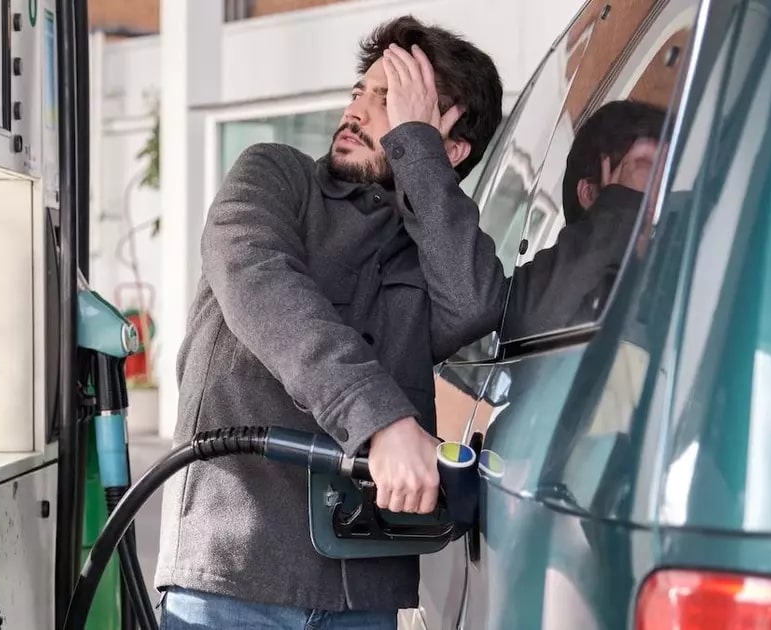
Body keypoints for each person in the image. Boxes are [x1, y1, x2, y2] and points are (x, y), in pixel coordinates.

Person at [154, 15, 507, 629]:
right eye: (359, 92)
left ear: (447, 148)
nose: (356, 111)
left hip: (365, 588)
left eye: (390, 100)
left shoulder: (431, 246)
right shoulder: (273, 173)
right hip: (234, 573)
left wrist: (417, 151)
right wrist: (382, 422)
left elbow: (474, 306)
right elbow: (259, 280)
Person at [503, 99, 667, 340]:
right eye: (644, 170)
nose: (661, 189)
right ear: (590, 194)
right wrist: (619, 208)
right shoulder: (577, 296)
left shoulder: (677, 274)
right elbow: (529, 326)